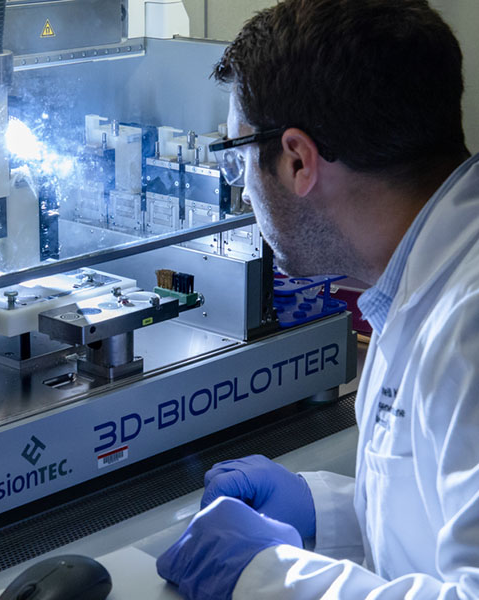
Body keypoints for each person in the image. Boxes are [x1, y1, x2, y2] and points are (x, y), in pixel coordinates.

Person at [155, 0, 479, 598]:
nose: (245, 191)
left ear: (298, 159)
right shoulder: (415, 283)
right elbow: (433, 534)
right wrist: (321, 512)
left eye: (239, 160)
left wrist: (270, 578)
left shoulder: (468, 327)